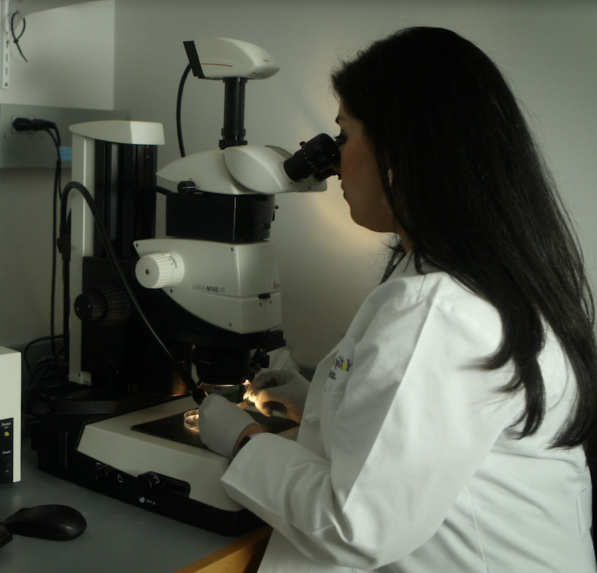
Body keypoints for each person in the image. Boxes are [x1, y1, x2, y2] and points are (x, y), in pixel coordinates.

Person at [198, 27, 597, 572]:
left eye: (343, 136)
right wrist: (320, 399)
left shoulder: (442, 309)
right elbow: (428, 428)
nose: (334, 161)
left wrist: (241, 441)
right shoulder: (487, 275)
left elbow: (354, 527)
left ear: (402, 149)